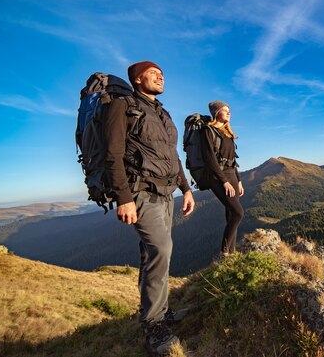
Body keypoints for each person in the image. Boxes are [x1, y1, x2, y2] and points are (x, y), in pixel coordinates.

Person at [102, 60, 195, 356]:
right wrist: (123, 197)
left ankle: (160, 311)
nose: (161, 76)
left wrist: (185, 188)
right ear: (138, 79)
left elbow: (172, 156)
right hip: (140, 193)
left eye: (162, 73)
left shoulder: (162, 112)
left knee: (151, 255)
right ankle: (153, 326)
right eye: (153, 73)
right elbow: (112, 154)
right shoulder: (122, 106)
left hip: (166, 193)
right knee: (161, 250)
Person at [201, 100, 245, 256]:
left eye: (229, 110)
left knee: (231, 213)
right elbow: (210, 159)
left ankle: (232, 253)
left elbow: (233, 160)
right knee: (238, 213)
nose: (228, 113)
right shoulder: (208, 131)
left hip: (232, 175)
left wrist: (238, 180)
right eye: (225, 110)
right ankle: (225, 251)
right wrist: (224, 182)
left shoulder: (228, 133)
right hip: (218, 177)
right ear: (216, 113)